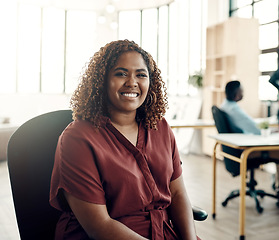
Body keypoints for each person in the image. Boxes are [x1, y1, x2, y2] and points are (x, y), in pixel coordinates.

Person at [49, 40, 198, 240]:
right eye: (121, 73)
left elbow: (178, 194)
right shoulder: (77, 139)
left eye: (141, 75)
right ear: (102, 80)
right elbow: (100, 226)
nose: (132, 82)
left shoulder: (159, 126)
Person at [220, 80, 279, 208]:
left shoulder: (224, 106)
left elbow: (248, 125)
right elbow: (255, 128)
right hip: (249, 151)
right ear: (236, 94)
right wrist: (270, 131)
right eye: (242, 91)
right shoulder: (234, 109)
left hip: (239, 148)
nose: (243, 93)